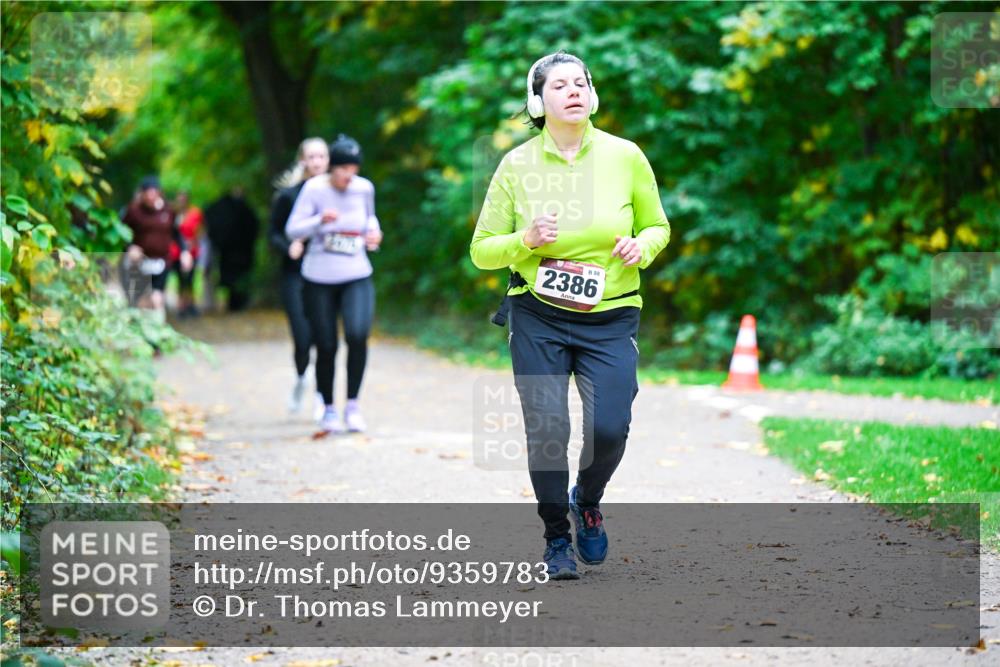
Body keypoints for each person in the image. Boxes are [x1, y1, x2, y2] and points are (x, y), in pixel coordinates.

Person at [469, 52, 671, 579]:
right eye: (560, 85)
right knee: (548, 428)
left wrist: (640, 248)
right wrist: (526, 240)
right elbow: (483, 249)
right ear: (539, 102)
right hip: (537, 313)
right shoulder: (516, 165)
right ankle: (556, 537)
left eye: (581, 82)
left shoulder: (625, 156)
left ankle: (589, 497)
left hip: (611, 314)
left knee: (611, 428)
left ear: (593, 94)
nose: (574, 91)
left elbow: (658, 226)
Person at [285, 135, 383, 433]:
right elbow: (292, 230)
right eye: (343, 169)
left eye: (353, 169)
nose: (348, 175)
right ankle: (328, 407)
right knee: (326, 345)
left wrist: (373, 234)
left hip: (356, 274)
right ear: (332, 168)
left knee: (357, 334)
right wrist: (319, 221)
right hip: (319, 278)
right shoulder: (314, 189)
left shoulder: (364, 188)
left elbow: (371, 220)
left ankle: (352, 405)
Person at [269, 137, 330, 414]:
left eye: (321, 156)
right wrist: (288, 246)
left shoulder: (337, 193)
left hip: (326, 275)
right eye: (311, 157)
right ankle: (301, 378)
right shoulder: (288, 196)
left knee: (324, 336)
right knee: (302, 337)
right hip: (295, 275)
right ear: (302, 160)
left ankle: (321, 395)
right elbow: (273, 234)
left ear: (328, 160)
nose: (317, 162)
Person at [122, 176, 193, 319]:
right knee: (141, 301)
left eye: (153, 192)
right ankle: (140, 329)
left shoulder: (169, 211)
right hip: (139, 262)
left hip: (162, 261)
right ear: (142, 194)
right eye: (147, 193)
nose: (150, 197)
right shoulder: (133, 211)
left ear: (159, 192)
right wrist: (130, 247)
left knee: (157, 297)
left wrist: (185, 253)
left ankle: (159, 330)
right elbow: (121, 233)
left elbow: (177, 234)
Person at [204, 187, 259, 312]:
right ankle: (235, 303)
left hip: (236, 251)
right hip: (232, 252)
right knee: (233, 278)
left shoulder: (240, 211)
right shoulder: (233, 210)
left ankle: (237, 302)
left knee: (236, 278)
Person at [169, 190, 204, 318]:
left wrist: (193, 242)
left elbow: (200, 230)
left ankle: (190, 304)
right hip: (176, 252)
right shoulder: (173, 213)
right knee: (180, 280)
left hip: (192, 251)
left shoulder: (195, 213)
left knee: (190, 279)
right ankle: (181, 305)